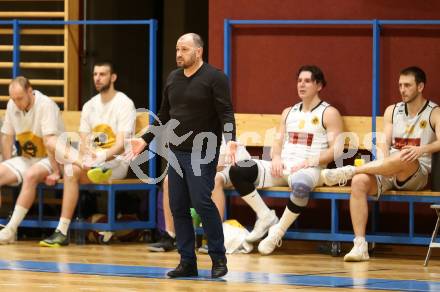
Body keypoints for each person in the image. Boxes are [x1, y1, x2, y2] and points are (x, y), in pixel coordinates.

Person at [126, 33, 235, 278]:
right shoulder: (173, 78)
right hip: (176, 153)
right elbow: (164, 115)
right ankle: (187, 261)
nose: (178, 54)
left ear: (198, 52)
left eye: (184, 49)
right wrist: (144, 140)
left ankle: (219, 258)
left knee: (202, 202)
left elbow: (226, 113)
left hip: (203, 152)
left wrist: (231, 142)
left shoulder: (214, 77)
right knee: (177, 206)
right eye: (177, 49)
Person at [322, 66, 440, 262]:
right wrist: (384, 159)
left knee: (404, 156)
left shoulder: (434, 112)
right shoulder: (392, 111)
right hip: (388, 168)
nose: (402, 89)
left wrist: (421, 150)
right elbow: (384, 141)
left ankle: (350, 170)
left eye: (408, 85)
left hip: (416, 172)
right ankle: (360, 245)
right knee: (359, 181)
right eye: (400, 85)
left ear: (420, 87)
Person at [229, 65, 344, 255]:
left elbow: (337, 150)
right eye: (299, 81)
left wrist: (311, 161)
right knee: (239, 170)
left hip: (307, 168)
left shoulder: (329, 113)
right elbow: (278, 141)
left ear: (319, 86)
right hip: (281, 167)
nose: (302, 85)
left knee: (300, 186)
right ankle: (266, 216)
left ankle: (277, 232)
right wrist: (275, 157)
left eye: (307, 81)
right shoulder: (288, 112)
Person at [38, 61, 136, 247]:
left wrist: (100, 158)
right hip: (90, 162)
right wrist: (86, 157)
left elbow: (122, 145)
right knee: (69, 169)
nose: (98, 78)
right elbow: (83, 142)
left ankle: (91, 167)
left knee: (74, 166)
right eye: (95, 74)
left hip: (115, 163)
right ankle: (62, 231)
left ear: (113, 77)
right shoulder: (90, 105)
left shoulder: (124, 103)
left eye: (103, 74)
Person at [148, 141, 250, 253]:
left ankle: (214, 238)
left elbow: (218, 165)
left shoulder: (219, 128)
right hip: (204, 170)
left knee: (214, 180)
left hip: (237, 168)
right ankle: (170, 236)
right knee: (169, 180)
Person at [0, 76, 64, 244]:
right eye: (13, 99)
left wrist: (57, 172)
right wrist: (7, 164)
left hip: (52, 158)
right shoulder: (12, 105)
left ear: (30, 91)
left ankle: (10, 230)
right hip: (28, 158)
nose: (16, 103)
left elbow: (50, 142)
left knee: (30, 175)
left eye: (20, 98)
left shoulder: (46, 105)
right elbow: (7, 136)